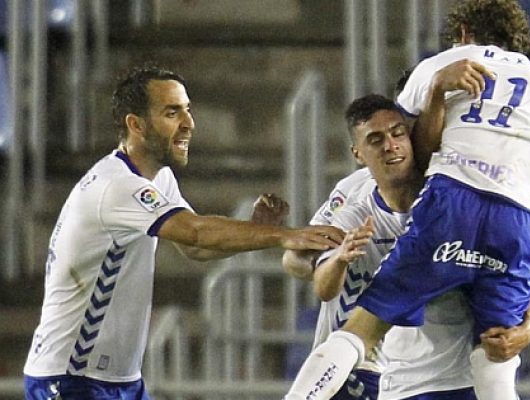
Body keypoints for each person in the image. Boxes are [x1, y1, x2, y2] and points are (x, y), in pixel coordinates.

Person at [284, 1, 530, 399]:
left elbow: (419, 146)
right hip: (518, 222)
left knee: (359, 332)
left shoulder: (440, 66)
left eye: (399, 133)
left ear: (462, 34)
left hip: (451, 206)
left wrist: (439, 90)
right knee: (497, 363)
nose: (394, 144)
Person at [22, 65, 344, 400]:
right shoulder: (115, 186)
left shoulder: (156, 178)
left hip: (119, 380)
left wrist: (257, 230)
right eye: (172, 113)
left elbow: (194, 249)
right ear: (136, 125)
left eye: (187, 110)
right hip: (72, 378)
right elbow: (195, 232)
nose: (189, 123)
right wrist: (284, 236)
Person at [284, 93, 530, 400]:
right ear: (358, 153)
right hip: (368, 367)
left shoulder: (451, 202)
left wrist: (529, 327)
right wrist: (338, 259)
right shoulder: (354, 200)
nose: (391, 145)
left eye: (398, 133)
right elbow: (313, 275)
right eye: (376, 139)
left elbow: (510, 271)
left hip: (447, 370)